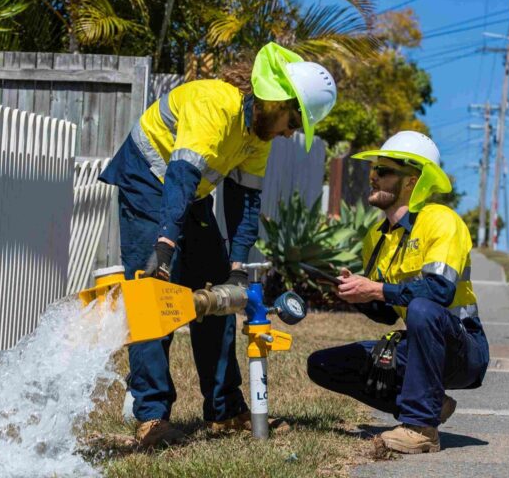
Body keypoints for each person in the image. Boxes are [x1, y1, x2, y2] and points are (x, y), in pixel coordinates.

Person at [98, 42, 337, 447]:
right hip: (148, 180)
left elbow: (245, 202)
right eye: (294, 120)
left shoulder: (258, 134)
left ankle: (224, 411)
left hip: (187, 193)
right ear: (276, 100)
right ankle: (152, 416)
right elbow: (179, 176)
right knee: (152, 297)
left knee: (219, 297)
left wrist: (237, 269)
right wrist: (164, 247)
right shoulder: (216, 105)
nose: (290, 133)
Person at [306, 131, 490, 454]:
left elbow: (439, 292)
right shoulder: (374, 237)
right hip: (419, 345)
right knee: (322, 364)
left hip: (463, 348)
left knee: (421, 307)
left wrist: (375, 287)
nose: (373, 177)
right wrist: (355, 295)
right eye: (373, 170)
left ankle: (421, 427)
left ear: (411, 182)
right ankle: (432, 400)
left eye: (383, 170)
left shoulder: (442, 221)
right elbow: (388, 312)